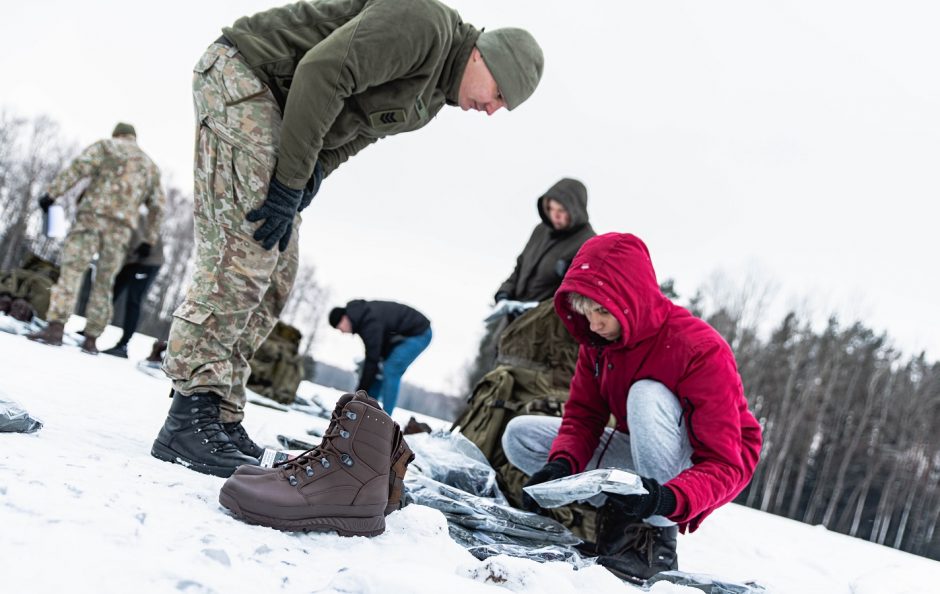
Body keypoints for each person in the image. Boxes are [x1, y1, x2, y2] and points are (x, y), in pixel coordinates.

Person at [152, 0, 544, 478]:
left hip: (282, 110)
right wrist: (289, 182)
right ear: (485, 56)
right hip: (247, 75)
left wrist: (314, 170)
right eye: (499, 94)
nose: (491, 110)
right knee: (247, 251)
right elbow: (321, 73)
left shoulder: (428, 99)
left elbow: (354, 131)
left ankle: (221, 412)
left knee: (278, 270)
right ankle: (191, 411)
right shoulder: (424, 26)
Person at [502, 233, 762, 583]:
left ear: (631, 300)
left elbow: (726, 463)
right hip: (646, 458)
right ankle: (620, 517)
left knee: (645, 394)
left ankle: (654, 539)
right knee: (520, 436)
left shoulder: (699, 348)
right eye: (585, 311)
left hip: (696, 470)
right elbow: (583, 417)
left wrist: (667, 499)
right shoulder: (597, 342)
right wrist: (561, 465)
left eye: (602, 311)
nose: (593, 324)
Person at [26, 123, 165, 355]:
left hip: (91, 219)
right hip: (121, 230)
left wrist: (52, 193)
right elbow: (158, 207)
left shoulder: (106, 146)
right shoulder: (149, 166)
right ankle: (91, 339)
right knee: (105, 282)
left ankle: (55, 328)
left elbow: (79, 167)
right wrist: (147, 240)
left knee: (72, 271)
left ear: (117, 134)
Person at [469, 178, 595, 387]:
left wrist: (537, 308)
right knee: (492, 380)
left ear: (576, 209)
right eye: (551, 208)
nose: (555, 215)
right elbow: (519, 268)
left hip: (541, 332)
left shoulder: (587, 243)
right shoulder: (540, 231)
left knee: (518, 383)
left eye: (561, 210)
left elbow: (574, 294)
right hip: (510, 322)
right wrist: (503, 296)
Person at [329, 299, 432, 414]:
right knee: (377, 371)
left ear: (344, 319)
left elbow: (372, 359)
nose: (342, 332)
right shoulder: (362, 316)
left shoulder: (368, 322)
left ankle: (385, 418)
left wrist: (359, 394)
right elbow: (375, 356)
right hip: (403, 336)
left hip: (420, 333)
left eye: (339, 327)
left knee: (391, 368)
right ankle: (366, 413)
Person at [100, 216, 165, 358]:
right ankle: (93, 330)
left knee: (133, 300)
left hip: (148, 261)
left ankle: (123, 345)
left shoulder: (136, 215)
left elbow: (138, 242)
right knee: (111, 292)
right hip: (131, 261)